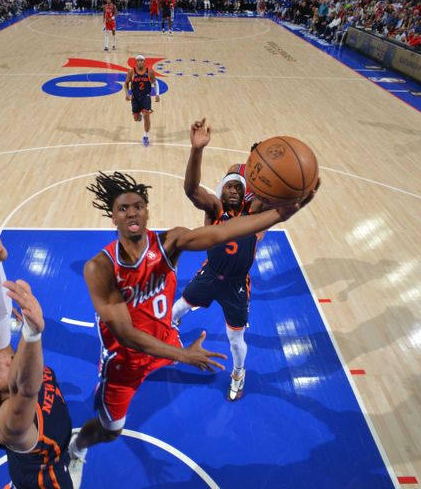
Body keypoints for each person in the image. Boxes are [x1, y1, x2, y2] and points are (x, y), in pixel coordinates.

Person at [67, 137, 307, 486]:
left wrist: (283, 213)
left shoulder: (171, 242)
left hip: (172, 335)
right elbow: (127, 335)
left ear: (147, 210)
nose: (132, 212)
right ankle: (76, 447)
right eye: (123, 208)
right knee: (110, 430)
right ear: (112, 214)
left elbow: (221, 232)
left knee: (195, 319)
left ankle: (235, 370)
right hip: (128, 358)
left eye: (138, 206)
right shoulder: (99, 268)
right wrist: (183, 355)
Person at [172, 121, 319, 401]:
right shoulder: (214, 210)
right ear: (220, 191)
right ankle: (171, 334)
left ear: (245, 195)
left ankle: (238, 373)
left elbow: (279, 200)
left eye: (238, 188)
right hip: (210, 275)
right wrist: (196, 150)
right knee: (177, 310)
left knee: (235, 339)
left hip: (237, 286)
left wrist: (294, 184)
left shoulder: (255, 218)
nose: (233, 190)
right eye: (228, 186)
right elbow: (192, 190)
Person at [0, 209, 74, 489]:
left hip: (37, 455)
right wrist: (32, 333)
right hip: (46, 479)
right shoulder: (9, 421)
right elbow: (27, 387)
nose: (3, 359)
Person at [123, 54, 160, 147]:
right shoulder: (131, 72)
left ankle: (145, 136)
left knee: (146, 115)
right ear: (136, 62)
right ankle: (138, 115)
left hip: (146, 97)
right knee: (136, 119)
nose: (140, 62)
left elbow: (156, 83)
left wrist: (157, 94)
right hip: (135, 98)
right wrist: (127, 93)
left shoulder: (150, 72)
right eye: (138, 60)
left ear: (144, 62)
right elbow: (126, 83)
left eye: (141, 60)